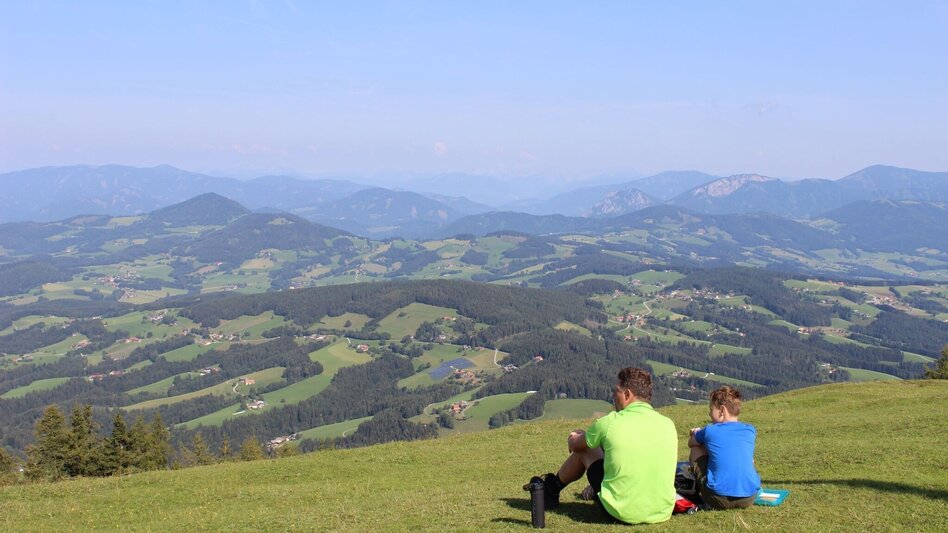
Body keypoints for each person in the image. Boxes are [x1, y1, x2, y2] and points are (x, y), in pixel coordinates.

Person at [538, 367, 678, 524]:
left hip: (620, 512)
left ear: (627, 394)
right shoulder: (668, 424)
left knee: (586, 448)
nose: (613, 396)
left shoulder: (610, 423)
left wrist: (573, 436)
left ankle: (551, 489)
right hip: (662, 511)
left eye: (616, 391)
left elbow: (577, 446)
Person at [687, 385, 761, 509]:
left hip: (718, 498)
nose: (710, 414)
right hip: (749, 498)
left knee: (697, 448)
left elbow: (691, 443)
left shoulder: (710, 430)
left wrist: (695, 433)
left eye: (711, 409)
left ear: (722, 410)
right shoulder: (750, 430)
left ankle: (702, 496)